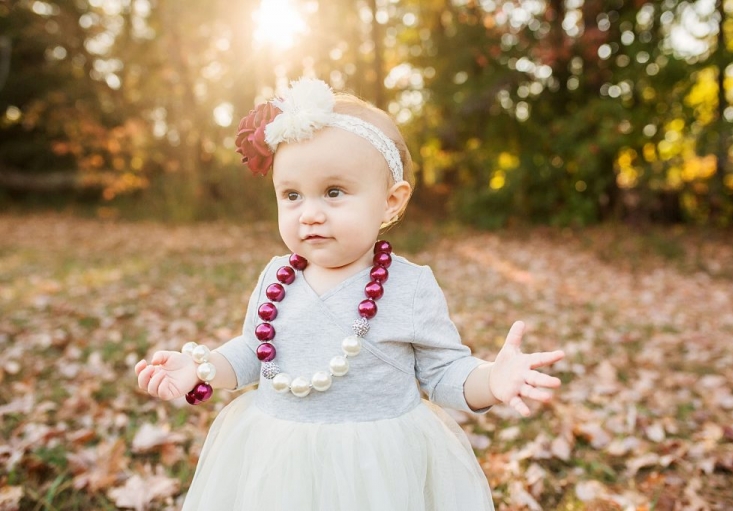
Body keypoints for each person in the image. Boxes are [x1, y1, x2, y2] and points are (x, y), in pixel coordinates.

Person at [134, 77, 565, 511]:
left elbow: (443, 374)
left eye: (334, 192)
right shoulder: (276, 277)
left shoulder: (410, 287)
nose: (311, 214)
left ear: (391, 201)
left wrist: (492, 379)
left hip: (375, 466)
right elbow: (253, 353)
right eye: (292, 195)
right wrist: (201, 368)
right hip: (279, 457)